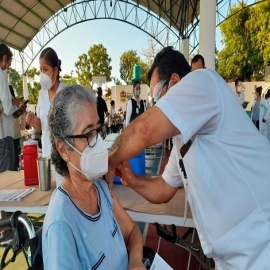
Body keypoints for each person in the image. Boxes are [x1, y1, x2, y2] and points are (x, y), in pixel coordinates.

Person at [107, 46, 270, 269]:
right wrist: (131, 180)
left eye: (157, 96)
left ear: (175, 81)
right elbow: (164, 189)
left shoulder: (203, 81)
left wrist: (107, 161)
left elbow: (144, 130)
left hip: (261, 240)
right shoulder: (180, 142)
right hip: (231, 257)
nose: (156, 106)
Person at [43, 84, 144, 270]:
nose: (98, 142)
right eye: (88, 134)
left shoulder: (100, 188)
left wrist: (135, 261)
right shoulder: (61, 226)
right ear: (63, 149)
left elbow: (132, 231)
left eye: (98, 130)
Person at [26, 47, 65, 186]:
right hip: (47, 157)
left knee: (63, 196)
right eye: (40, 69)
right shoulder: (42, 94)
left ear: (55, 71)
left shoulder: (65, 93)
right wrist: (36, 123)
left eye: (46, 69)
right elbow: (43, 128)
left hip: (63, 159)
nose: (42, 74)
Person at [0, 43, 24, 172]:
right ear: (4, 59)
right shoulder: (1, 75)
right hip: (4, 138)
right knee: (8, 181)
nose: (9, 66)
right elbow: (8, 109)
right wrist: (14, 102)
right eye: (9, 62)